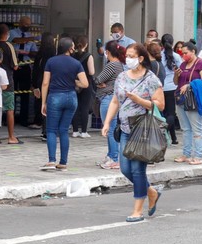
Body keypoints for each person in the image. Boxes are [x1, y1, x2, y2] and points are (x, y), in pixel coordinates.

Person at [100, 43, 164, 222]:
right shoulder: (121, 76)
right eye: (126, 55)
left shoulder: (151, 79)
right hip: (126, 129)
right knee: (125, 168)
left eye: (131, 55)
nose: (127, 59)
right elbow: (115, 101)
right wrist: (107, 123)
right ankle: (151, 192)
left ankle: (138, 210)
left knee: (137, 170)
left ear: (141, 58)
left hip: (142, 129)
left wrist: (140, 100)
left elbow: (160, 105)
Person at [40, 37, 86, 171]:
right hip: (71, 98)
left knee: (51, 130)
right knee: (64, 130)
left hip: (55, 97)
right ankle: (63, 162)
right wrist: (74, 82)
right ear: (69, 48)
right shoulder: (76, 63)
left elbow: (45, 83)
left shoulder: (51, 61)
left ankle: (51, 161)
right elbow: (85, 83)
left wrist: (43, 102)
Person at [174, 41, 202, 165]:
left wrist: (189, 85)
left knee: (197, 129)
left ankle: (198, 155)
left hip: (193, 100)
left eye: (185, 53)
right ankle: (186, 154)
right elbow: (175, 82)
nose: (183, 55)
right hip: (180, 99)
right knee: (185, 129)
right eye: (182, 53)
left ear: (193, 51)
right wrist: (176, 75)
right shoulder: (183, 65)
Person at [95, 41, 125, 169]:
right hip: (112, 98)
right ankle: (111, 155)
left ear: (107, 52)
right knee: (111, 129)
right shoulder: (119, 65)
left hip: (108, 99)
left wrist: (99, 83)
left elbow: (97, 79)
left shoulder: (112, 65)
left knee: (110, 129)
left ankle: (114, 158)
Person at [0, 24, 22, 144]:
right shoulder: (9, 46)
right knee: (10, 109)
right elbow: (15, 66)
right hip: (7, 82)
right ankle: (11, 137)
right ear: (7, 33)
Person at [10, 16, 40, 127]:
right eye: (25, 24)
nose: (27, 27)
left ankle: (23, 119)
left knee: (25, 95)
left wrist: (26, 53)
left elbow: (34, 53)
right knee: (11, 93)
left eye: (29, 25)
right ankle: (10, 118)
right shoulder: (13, 33)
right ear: (20, 23)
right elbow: (15, 41)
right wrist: (31, 39)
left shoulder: (29, 36)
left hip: (26, 67)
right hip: (14, 66)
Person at [30, 32, 57, 138]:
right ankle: (49, 130)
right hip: (52, 82)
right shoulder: (54, 54)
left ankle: (40, 124)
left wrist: (34, 84)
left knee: (41, 104)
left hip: (40, 81)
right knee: (50, 106)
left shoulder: (40, 54)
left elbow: (35, 69)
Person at [70, 36, 97, 138]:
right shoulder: (88, 56)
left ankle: (75, 131)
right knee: (85, 107)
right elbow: (91, 72)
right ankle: (84, 131)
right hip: (86, 83)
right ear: (86, 45)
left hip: (75, 83)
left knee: (75, 107)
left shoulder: (72, 55)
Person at [158, 34, 181, 145]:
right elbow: (181, 70)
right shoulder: (176, 56)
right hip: (172, 87)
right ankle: (166, 133)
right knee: (171, 113)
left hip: (161, 87)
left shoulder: (159, 56)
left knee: (164, 113)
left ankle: (173, 137)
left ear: (161, 44)